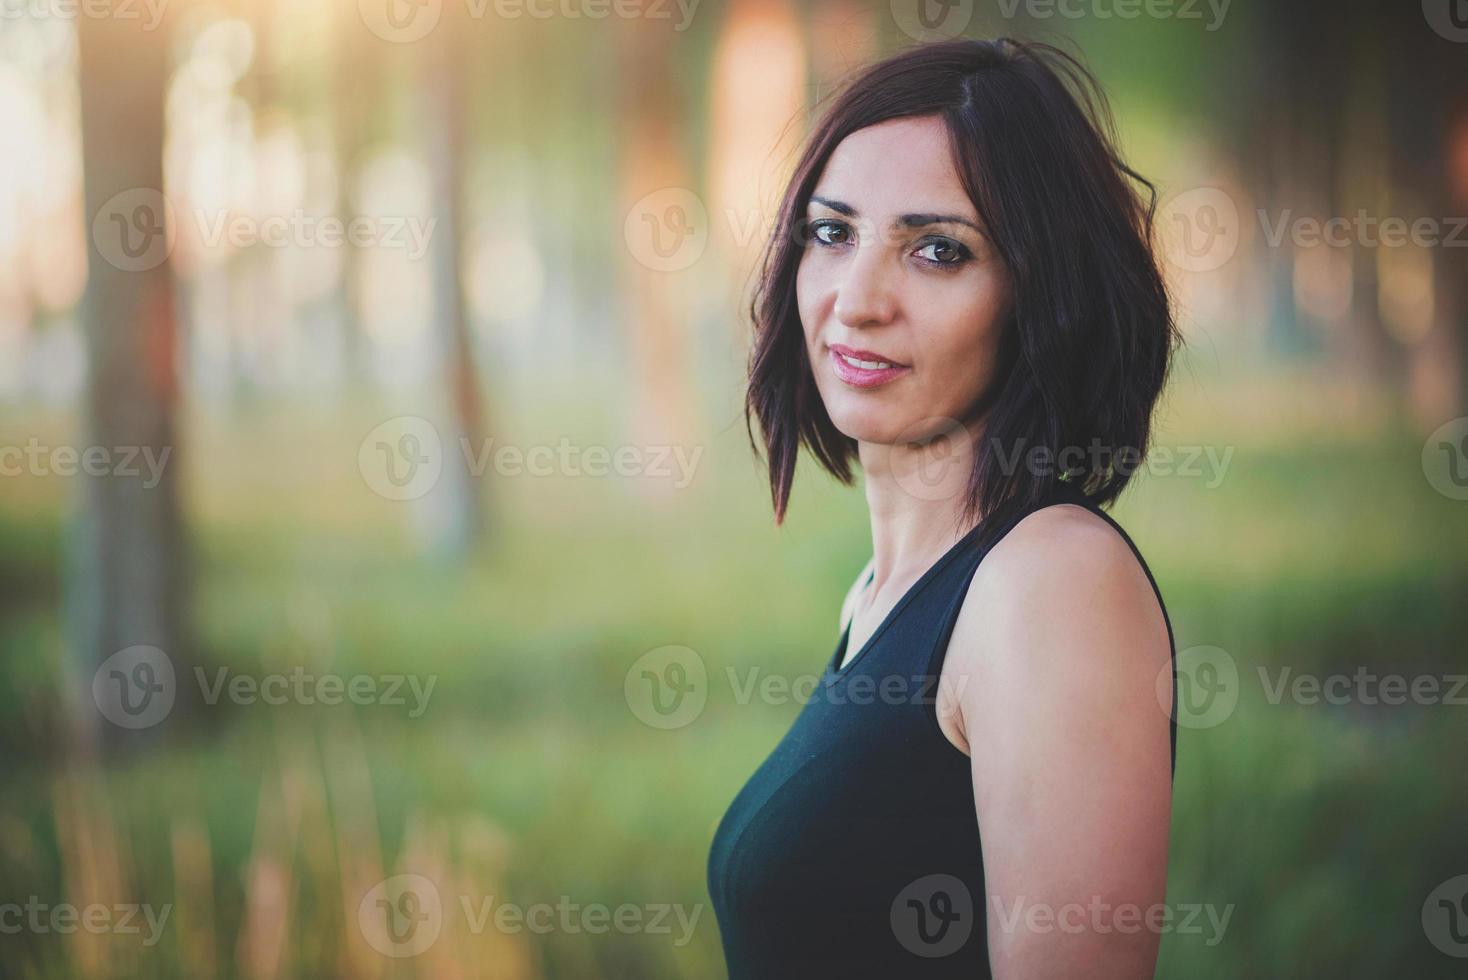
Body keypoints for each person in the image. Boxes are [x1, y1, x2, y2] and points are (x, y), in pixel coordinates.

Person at [707, 37, 1181, 979]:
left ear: (1039, 295)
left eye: (937, 251)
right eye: (832, 233)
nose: (857, 301)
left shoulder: (1052, 584)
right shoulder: (877, 595)